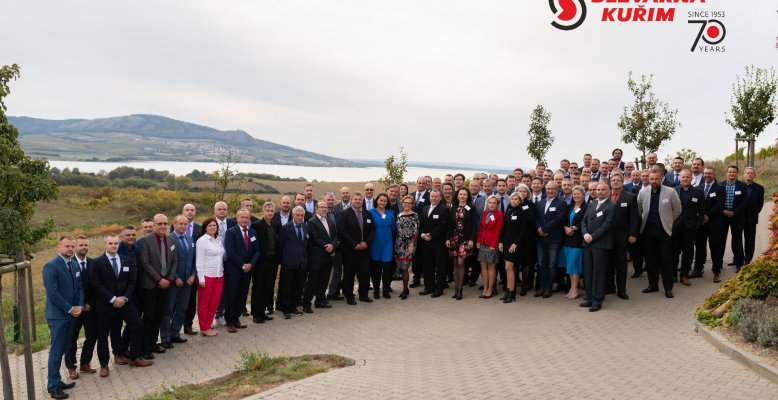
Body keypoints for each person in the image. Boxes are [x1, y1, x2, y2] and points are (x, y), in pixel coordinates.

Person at [90, 234, 152, 378]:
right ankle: (104, 365)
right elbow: (96, 284)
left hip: (125, 302)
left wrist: (124, 298)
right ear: (105, 244)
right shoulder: (97, 262)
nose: (113, 246)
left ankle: (135, 358)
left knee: (137, 325)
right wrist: (112, 299)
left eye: (116, 243)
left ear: (119, 244)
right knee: (103, 336)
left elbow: (132, 281)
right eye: (110, 243)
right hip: (106, 305)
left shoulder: (126, 260)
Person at [43, 236, 83, 399]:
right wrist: (69, 309)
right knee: (56, 351)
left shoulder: (74, 263)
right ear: (58, 248)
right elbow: (53, 293)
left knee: (65, 348)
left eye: (72, 246)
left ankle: (58, 380)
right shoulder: (50, 266)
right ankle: (53, 386)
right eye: (67, 246)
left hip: (73, 313)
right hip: (58, 316)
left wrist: (79, 305)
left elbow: (79, 286)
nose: (70, 249)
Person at [637, 171, 682, 298]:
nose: (654, 181)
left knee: (665, 259)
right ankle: (653, 285)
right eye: (651, 179)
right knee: (650, 259)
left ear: (662, 178)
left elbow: (678, 209)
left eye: (656, 179)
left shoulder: (670, 192)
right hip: (648, 229)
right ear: (648, 180)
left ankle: (668, 288)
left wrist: (668, 220)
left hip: (664, 230)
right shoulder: (643, 192)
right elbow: (639, 209)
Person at [138, 214, 177, 358]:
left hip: (166, 285)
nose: (162, 226)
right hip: (150, 285)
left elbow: (174, 261)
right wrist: (159, 279)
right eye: (159, 223)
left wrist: (170, 278)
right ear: (154, 225)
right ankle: (145, 347)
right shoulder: (146, 241)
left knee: (159, 315)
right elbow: (145, 263)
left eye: (164, 223)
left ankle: (154, 343)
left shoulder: (171, 240)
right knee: (149, 316)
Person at [160, 215, 196, 349]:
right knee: (168, 310)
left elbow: (193, 260)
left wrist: (193, 274)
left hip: (188, 282)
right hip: (173, 282)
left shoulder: (190, 239)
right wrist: (175, 277)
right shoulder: (168, 240)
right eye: (180, 224)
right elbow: (166, 263)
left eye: (185, 224)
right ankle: (165, 337)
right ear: (174, 224)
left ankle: (174, 333)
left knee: (182, 309)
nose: (183, 226)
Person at [64, 236, 97, 379]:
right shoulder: (69, 264)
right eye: (81, 245)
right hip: (74, 310)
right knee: (71, 339)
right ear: (75, 246)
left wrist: (91, 303)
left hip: (90, 308)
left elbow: (98, 286)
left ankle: (85, 363)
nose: (84, 247)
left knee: (92, 336)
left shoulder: (93, 264)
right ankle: (71, 367)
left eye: (86, 245)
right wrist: (75, 306)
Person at [580, 183, 616, 312]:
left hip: (601, 244)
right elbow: (583, 221)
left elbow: (607, 225)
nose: (599, 192)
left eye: (602, 190)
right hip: (588, 243)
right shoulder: (592, 204)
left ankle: (597, 300)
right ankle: (589, 297)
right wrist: (585, 234)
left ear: (609, 191)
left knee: (599, 273)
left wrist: (592, 236)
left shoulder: (611, 206)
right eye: (598, 190)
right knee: (588, 272)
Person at [223, 209, 259, 332]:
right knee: (232, 296)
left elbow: (257, 251)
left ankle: (236, 318)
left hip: (248, 270)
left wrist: (251, 264)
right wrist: (242, 264)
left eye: (247, 217)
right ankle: (229, 322)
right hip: (234, 270)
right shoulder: (231, 232)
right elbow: (230, 251)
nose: (244, 220)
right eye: (242, 217)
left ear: (249, 219)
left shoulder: (253, 232)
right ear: (237, 218)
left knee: (242, 296)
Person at [339, 191, 375, 304]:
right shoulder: (344, 214)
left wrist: (367, 243)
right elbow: (343, 232)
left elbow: (372, 231)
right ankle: (349, 296)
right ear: (351, 200)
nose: (358, 201)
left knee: (364, 273)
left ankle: (363, 295)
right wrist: (355, 244)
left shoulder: (368, 214)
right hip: (350, 250)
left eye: (360, 200)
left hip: (365, 250)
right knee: (349, 274)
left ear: (362, 201)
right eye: (355, 199)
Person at [607, 173, 639, 299]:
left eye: (618, 180)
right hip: (607, 236)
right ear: (610, 182)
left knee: (621, 263)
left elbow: (634, 218)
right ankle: (609, 287)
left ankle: (621, 290)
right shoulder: (606, 195)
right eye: (613, 180)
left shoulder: (630, 197)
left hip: (622, 236)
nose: (615, 182)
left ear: (622, 182)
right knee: (608, 263)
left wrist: (632, 234)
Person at [692, 167, 725, 281]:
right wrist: (701, 216)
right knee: (700, 247)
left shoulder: (720, 188)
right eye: (705, 173)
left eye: (710, 173)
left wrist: (707, 216)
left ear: (714, 174)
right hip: (701, 223)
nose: (707, 175)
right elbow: (696, 204)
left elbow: (719, 205)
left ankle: (716, 272)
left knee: (714, 247)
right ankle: (698, 270)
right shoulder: (699, 187)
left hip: (714, 223)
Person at [535, 182, 567, 298]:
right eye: (548, 188)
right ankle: (542, 287)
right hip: (540, 238)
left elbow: (559, 219)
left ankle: (549, 288)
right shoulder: (540, 203)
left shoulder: (561, 203)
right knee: (541, 263)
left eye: (553, 189)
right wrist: (539, 228)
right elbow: (536, 218)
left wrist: (544, 229)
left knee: (552, 264)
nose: (550, 191)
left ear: (557, 190)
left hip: (554, 238)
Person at [277, 207, 310, 318]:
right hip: (288, 263)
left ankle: (293, 306)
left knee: (298, 286)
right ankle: (285, 309)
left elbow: (306, 245)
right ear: (293, 215)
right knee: (287, 287)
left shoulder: (305, 227)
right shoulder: (286, 228)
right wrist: (283, 260)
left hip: (301, 263)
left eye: (302, 215)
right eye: (298, 215)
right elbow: (280, 246)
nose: (300, 217)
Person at [673, 170, 705, 286]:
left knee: (688, 252)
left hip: (690, 227)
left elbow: (702, 211)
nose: (685, 179)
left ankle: (684, 275)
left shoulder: (698, 192)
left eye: (687, 177)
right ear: (680, 178)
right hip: (675, 226)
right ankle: (673, 275)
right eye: (683, 177)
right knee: (674, 252)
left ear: (691, 178)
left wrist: (697, 225)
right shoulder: (674, 191)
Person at [195, 217, 225, 336]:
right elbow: (199, 261)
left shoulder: (219, 239)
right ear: (205, 228)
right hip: (207, 276)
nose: (212, 227)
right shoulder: (202, 241)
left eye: (214, 225)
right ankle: (204, 327)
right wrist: (201, 278)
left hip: (219, 275)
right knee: (204, 303)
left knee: (214, 302)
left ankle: (208, 324)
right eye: (210, 225)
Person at [305, 201, 338, 310]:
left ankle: (320, 301)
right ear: (316, 209)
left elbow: (335, 236)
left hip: (328, 257)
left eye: (326, 207)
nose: (324, 209)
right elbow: (314, 237)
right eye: (322, 207)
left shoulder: (330, 221)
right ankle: (307, 304)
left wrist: (332, 245)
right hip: (316, 257)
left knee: (324, 280)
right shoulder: (311, 222)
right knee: (312, 281)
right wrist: (326, 246)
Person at [419, 189, 451, 298]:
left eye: (436, 197)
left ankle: (439, 289)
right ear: (429, 197)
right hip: (426, 242)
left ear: (440, 198)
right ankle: (429, 287)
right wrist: (423, 234)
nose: (433, 198)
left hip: (438, 242)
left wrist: (431, 235)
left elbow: (443, 226)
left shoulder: (444, 210)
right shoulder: (424, 208)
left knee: (440, 266)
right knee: (428, 266)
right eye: (432, 196)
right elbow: (421, 223)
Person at [446, 188, 476, 300]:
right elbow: (449, 224)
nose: (462, 196)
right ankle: (455, 290)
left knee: (461, 263)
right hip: (454, 239)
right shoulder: (453, 207)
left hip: (465, 239)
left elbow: (474, 225)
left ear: (467, 196)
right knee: (455, 264)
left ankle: (460, 290)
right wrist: (447, 238)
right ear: (457, 196)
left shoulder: (471, 207)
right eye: (460, 194)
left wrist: (472, 239)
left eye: (464, 194)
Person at [500, 192, 530, 303]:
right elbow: (504, 228)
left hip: (515, 244)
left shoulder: (522, 212)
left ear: (520, 201)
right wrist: (501, 242)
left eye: (516, 199)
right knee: (508, 268)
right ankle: (508, 291)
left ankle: (512, 292)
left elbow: (523, 231)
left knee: (509, 267)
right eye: (512, 199)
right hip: (506, 243)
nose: (513, 200)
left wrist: (515, 243)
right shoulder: (508, 211)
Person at [250, 202, 277, 323]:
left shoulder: (275, 225)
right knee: (258, 288)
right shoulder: (256, 226)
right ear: (263, 212)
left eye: (272, 211)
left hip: (272, 261)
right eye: (268, 211)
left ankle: (262, 312)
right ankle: (256, 314)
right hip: (260, 262)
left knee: (267, 288)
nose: (270, 213)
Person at [720, 165, 748, 272]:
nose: (731, 174)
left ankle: (739, 263)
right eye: (730, 172)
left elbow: (745, 202)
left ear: (737, 174)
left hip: (736, 216)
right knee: (721, 240)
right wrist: (723, 211)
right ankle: (719, 263)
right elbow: (718, 201)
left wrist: (734, 212)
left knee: (737, 240)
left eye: (734, 172)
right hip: (723, 216)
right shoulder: (720, 185)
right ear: (726, 173)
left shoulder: (742, 185)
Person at [562, 186, 587, 300]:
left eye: (578, 194)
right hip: (568, 238)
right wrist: (566, 227)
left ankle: (575, 289)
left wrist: (573, 228)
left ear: (583, 195)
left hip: (577, 239)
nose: (576, 196)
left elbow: (585, 221)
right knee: (570, 266)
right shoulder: (570, 206)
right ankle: (572, 288)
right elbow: (564, 219)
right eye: (574, 194)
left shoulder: (586, 207)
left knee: (575, 265)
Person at [369, 193, 396, 299]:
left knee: (387, 268)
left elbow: (394, 228)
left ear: (387, 202)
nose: (383, 203)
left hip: (387, 245)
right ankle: (376, 291)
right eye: (381, 200)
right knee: (376, 269)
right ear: (377, 201)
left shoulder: (390, 213)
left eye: (385, 201)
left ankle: (385, 290)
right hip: (375, 244)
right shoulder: (371, 213)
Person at [180, 204, 201, 336]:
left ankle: (188, 325)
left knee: (191, 300)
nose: (189, 212)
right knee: (177, 301)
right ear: (183, 212)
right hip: (179, 272)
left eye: (192, 210)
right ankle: (175, 327)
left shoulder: (199, 228)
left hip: (194, 270)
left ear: (195, 212)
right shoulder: (175, 227)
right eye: (187, 210)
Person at [476, 195, 503, 298]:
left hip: (492, 244)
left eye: (494, 203)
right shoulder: (485, 213)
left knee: (491, 267)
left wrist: (493, 244)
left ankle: (491, 289)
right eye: (490, 203)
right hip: (483, 243)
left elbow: (498, 231)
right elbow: (482, 229)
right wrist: (478, 241)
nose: (491, 205)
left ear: (497, 205)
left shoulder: (499, 215)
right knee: (483, 267)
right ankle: (485, 288)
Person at [395, 195, 419, 299]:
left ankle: (405, 290)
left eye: (409, 203)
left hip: (409, 243)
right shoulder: (399, 215)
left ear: (412, 204)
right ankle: (406, 288)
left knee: (405, 268)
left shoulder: (415, 215)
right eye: (405, 202)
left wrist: (412, 245)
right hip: (399, 243)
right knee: (400, 267)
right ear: (402, 203)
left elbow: (416, 231)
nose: (407, 204)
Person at [742, 167, 765, 265]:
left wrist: (754, 212)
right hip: (739, 217)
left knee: (750, 240)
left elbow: (760, 203)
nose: (749, 175)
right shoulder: (739, 186)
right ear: (744, 174)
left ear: (754, 175)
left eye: (751, 173)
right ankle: (737, 258)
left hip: (751, 218)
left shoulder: (759, 188)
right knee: (736, 239)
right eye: (747, 173)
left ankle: (748, 259)